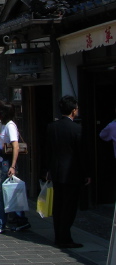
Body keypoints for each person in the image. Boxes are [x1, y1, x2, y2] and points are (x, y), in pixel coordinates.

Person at [46, 95, 91, 248]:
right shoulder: (77, 129)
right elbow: (82, 153)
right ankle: (65, 238)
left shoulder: (52, 127)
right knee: (69, 206)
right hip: (72, 173)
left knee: (58, 205)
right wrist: (87, 173)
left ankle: (58, 235)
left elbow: (47, 151)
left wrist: (46, 170)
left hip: (57, 172)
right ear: (73, 111)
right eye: (77, 109)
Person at [0, 100, 30, 235]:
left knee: (2, 193)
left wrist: (13, 166)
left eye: (0, 111)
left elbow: (15, 145)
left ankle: (1, 223)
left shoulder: (10, 126)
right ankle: (20, 220)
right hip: (1, 160)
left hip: (6, 162)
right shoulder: (4, 125)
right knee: (8, 192)